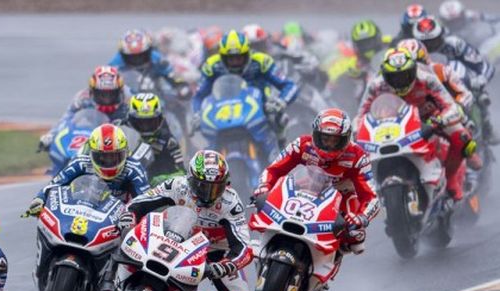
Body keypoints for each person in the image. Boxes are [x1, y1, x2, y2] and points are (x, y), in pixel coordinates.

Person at [109, 150, 253, 291]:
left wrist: (226, 265)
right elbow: (138, 203)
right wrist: (128, 219)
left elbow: (244, 247)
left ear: (225, 184)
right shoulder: (177, 185)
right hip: (175, 236)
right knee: (125, 236)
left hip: (213, 251)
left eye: (215, 188)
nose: (207, 193)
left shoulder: (231, 202)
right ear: (190, 178)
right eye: (202, 186)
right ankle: (114, 283)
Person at [356, 47, 481, 203]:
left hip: (430, 119)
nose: (400, 81)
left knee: (462, 137)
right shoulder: (375, 85)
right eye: (394, 77)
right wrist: (355, 133)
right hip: (395, 122)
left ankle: (451, 179)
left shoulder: (427, 79)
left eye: (405, 75)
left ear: (414, 70)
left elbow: (452, 106)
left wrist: (441, 119)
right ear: (385, 75)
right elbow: (360, 115)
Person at [253, 108, 379, 255]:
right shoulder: (301, 144)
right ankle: (266, 245)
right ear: (316, 135)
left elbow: (371, 197)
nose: (330, 145)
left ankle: (332, 256)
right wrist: (263, 187)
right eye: (325, 139)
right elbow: (273, 170)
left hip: (342, 197)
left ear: (345, 139)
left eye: (335, 140)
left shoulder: (358, 156)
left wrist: (361, 218)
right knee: (263, 206)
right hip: (307, 187)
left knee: (355, 240)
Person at [192, 30, 299, 145]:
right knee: (206, 139)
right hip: (223, 113)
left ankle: (282, 150)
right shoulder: (212, 65)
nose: (235, 62)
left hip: (261, 110)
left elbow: (289, 85)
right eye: (231, 59)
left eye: (239, 58)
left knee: (279, 120)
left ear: (247, 53)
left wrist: (281, 101)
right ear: (222, 57)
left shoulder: (261, 61)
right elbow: (199, 95)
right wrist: (198, 113)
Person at [24, 124, 150, 218]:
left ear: (125, 154)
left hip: (120, 219)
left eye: (114, 157)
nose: (109, 163)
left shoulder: (134, 168)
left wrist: (133, 216)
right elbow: (55, 184)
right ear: (91, 154)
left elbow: (147, 201)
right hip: (82, 213)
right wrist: (40, 199)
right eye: (102, 157)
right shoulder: (80, 162)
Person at [412, 16, 497, 142]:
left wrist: (480, 79)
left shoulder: (455, 44)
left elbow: (482, 65)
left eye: (433, 41)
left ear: (441, 35)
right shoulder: (413, 51)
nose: (430, 47)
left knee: (481, 95)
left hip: (459, 82)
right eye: (425, 43)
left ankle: (487, 128)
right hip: (428, 89)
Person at [39, 66, 130, 153]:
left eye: (111, 94)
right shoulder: (82, 99)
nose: (107, 99)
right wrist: (51, 135)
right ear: (92, 92)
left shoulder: (127, 103)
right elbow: (66, 119)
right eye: (102, 94)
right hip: (87, 141)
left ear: (120, 92)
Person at [113, 93, 184, 184]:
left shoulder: (169, 141)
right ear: (131, 119)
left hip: (153, 188)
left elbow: (182, 172)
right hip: (121, 180)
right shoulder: (119, 129)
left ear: (159, 118)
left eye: (150, 121)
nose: (146, 126)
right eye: (141, 122)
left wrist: (163, 179)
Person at [109, 29, 191, 99]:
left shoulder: (157, 58)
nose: (137, 60)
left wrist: (181, 86)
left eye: (141, 55)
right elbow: (106, 80)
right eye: (132, 57)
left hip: (156, 96)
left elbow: (172, 75)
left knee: (176, 103)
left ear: (148, 51)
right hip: (127, 99)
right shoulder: (115, 64)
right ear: (123, 54)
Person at [398, 38, 474, 112]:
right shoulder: (395, 82)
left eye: (416, 63)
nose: (417, 68)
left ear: (423, 58)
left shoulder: (442, 71)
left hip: (450, 116)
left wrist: (457, 107)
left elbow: (465, 95)